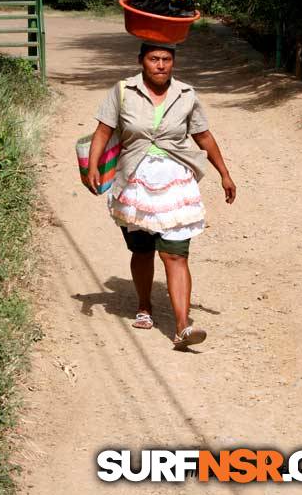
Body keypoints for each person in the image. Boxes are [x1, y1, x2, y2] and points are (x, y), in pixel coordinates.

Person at [88, 43, 236, 349]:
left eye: (166, 59)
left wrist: (224, 173)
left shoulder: (186, 95)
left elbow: (203, 135)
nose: (160, 65)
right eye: (154, 59)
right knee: (142, 250)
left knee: (175, 253)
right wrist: (93, 166)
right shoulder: (123, 91)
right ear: (141, 61)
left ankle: (182, 327)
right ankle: (145, 305)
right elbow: (103, 131)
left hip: (175, 182)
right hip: (135, 181)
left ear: (173, 63)